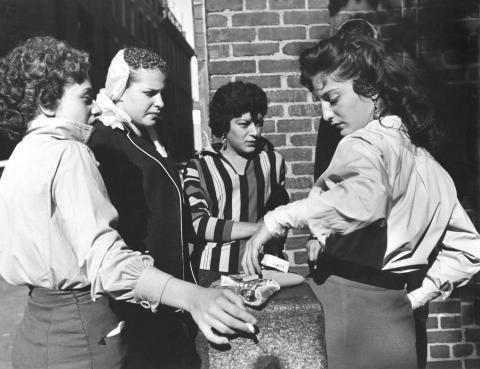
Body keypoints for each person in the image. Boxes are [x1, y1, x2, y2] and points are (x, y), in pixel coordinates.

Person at [0, 37, 256, 369]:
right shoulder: (71, 151)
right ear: (49, 103)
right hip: (81, 335)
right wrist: (194, 297)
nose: (93, 108)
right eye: (85, 98)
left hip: (34, 331)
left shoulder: (19, 156)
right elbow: (108, 262)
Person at [242, 34, 480, 369]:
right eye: (320, 101)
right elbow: (469, 249)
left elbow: (360, 204)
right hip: (396, 324)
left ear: (370, 89)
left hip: (346, 322)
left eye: (333, 98)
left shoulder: (364, 144)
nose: (326, 113)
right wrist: (415, 298)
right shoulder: (429, 163)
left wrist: (274, 220)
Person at [88, 48, 258, 368]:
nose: (161, 102)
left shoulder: (154, 134)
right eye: (149, 93)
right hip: (141, 303)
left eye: (162, 92)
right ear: (118, 90)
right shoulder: (105, 141)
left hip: (178, 290)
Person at [183, 81, 289, 287]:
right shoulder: (199, 167)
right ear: (224, 125)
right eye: (244, 124)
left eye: (258, 123)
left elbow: (280, 214)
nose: (255, 132)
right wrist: (261, 228)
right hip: (212, 272)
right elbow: (198, 224)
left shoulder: (273, 162)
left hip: (262, 268)